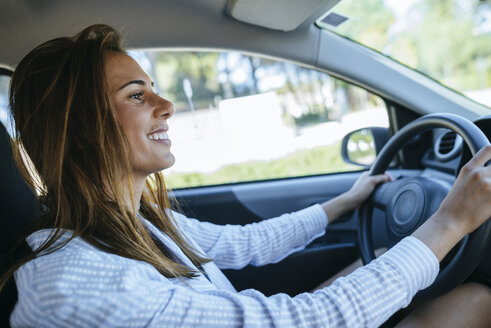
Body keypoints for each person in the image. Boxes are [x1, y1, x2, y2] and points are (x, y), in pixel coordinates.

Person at [0, 24, 490, 327]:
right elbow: (301, 322)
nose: (166, 106)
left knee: (377, 258)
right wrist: (449, 222)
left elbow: (245, 243)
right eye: (136, 95)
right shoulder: (77, 283)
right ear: (82, 127)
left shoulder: (133, 223)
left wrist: (345, 201)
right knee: (473, 300)